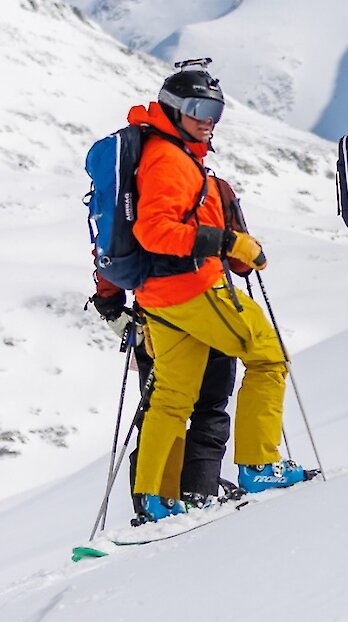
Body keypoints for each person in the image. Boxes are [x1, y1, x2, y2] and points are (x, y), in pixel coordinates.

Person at [125, 63, 312, 521]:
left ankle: (156, 497)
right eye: (197, 108)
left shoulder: (163, 151)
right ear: (173, 109)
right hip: (191, 286)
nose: (207, 118)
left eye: (215, 110)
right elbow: (154, 231)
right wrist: (228, 243)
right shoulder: (169, 159)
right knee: (269, 358)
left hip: (158, 297)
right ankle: (259, 465)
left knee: (171, 396)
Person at [89, 276, 240, 517]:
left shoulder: (126, 235)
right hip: (210, 308)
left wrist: (112, 309)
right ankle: (198, 492)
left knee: (158, 412)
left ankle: (153, 501)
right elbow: (241, 260)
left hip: (152, 318)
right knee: (209, 409)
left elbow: (109, 259)